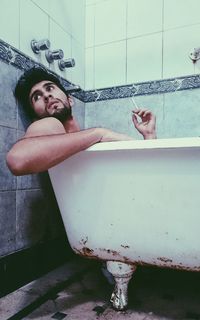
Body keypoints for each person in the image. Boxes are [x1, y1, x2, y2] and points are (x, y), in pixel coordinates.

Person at [6, 67, 157, 176]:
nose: (46, 96)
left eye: (50, 88)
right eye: (37, 97)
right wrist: (99, 133)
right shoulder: (51, 123)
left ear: (70, 100)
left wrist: (149, 136)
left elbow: (145, 174)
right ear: (35, 119)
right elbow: (17, 160)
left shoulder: (88, 141)